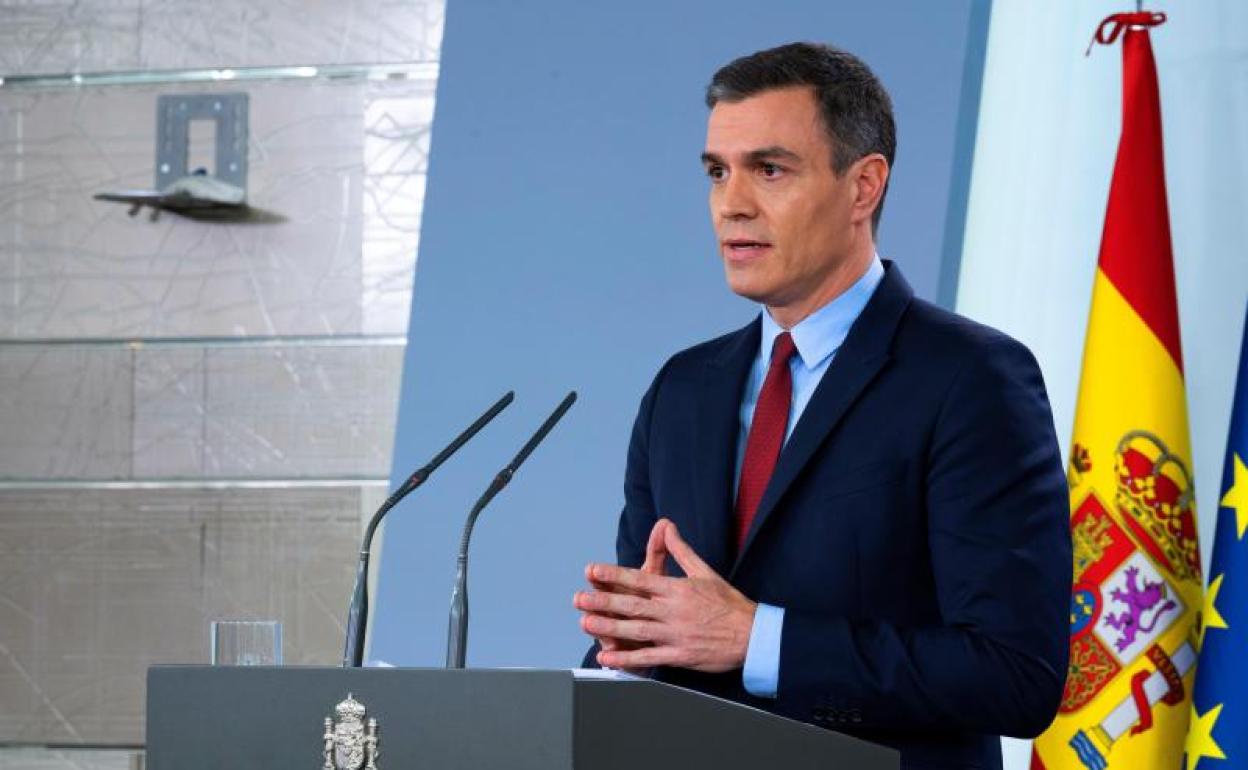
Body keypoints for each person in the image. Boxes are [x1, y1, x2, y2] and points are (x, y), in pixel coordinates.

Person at [573, 42, 1071, 769]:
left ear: (863, 187)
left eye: (769, 170)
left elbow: (1015, 675)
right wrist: (625, 656)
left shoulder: (971, 378)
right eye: (718, 172)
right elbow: (654, 636)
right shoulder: (682, 389)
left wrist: (757, 640)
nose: (732, 204)